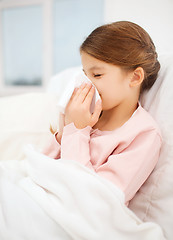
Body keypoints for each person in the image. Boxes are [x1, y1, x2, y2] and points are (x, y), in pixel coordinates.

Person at [43, 21, 162, 206]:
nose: (87, 84)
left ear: (135, 77)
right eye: (85, 74)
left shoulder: (143, 134)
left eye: (97, 75)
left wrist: (77, 131)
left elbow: (94, 200)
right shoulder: (85, 114)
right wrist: (64, 131)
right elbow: (41, 166)